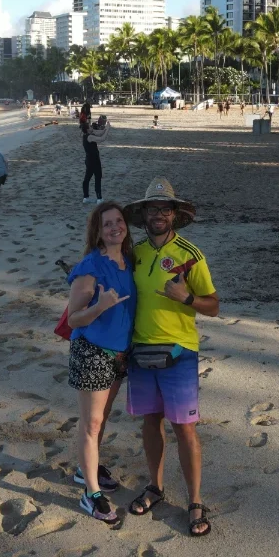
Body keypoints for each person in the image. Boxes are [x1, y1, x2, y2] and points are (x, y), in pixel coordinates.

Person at [122, 179, 219, 537]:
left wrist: (186, 298)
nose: (159, 214)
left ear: (175, 215)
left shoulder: (191, 255)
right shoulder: (135, 254)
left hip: (179, 352)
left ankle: (194, 501)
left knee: (184, 428)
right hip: (140, 350)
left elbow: (214, 306)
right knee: (150, 422)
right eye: (153, 208)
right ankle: (155, 487)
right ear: (143, 214)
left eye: (165, 209)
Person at [64, 202, 137, 522]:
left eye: (119, 221)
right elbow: (74, 320)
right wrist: (100, 306)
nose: (114, 228)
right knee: (91, 423)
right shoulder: (89, 268)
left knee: (102, 418)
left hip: (121, 353)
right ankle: (91, 493)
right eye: (107, 224)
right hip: (92, 351)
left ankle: (86, 468)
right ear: (97, 231)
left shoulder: (129, 262)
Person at [82, 114, 108, 204]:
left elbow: (100, 133)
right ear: (87, 129)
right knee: (97, 178)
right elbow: (102, 138)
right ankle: (99, 199)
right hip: (94, 160)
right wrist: (108, 128)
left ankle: (86, 197)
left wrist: (105, 128)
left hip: (89, 160)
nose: (91, 127)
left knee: (87, 178)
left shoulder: (88, 135)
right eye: (89, 127)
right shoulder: (89, 137)